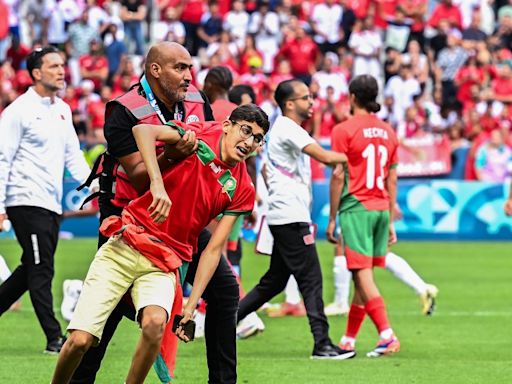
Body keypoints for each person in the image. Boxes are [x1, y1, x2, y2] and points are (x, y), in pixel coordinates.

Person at [51, 104, 270, 384]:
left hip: (165, 262)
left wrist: (191, 305)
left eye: (257, 138)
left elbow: (213, 250)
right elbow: (142, 130)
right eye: (246, 131)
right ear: (227, 125)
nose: (249, 142)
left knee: (155, 325)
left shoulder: (243, 188)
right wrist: (156, 183)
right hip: (127, 243)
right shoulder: (198, 135)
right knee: (80, 341)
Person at [70, 42, 239, 384]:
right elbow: (138, 175)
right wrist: (174, 155)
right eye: (180, 68)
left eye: (190, 68)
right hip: (128, 217)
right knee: (112, 308)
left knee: (224, 290)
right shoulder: (123, 109)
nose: (189, 77)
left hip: (178, 219)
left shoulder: (196, 102)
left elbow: (207, 159)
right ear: (155, 70)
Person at [237, 79, 354, 360]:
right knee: (311, 278)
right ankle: (322, 344)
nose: (311, 102)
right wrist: (356, 157)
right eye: (306, 98)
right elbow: (324, 156)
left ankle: (224, 321)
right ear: (289, 104)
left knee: (274, 282)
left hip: (286, 213)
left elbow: (266, 170)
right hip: (290, 215)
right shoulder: (288, 128)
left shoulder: (284, 129)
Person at [0, 46, 91, 353]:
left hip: (51, 204)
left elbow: (73, 158)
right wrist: (0, 207)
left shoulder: (63, 110)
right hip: (24, 199)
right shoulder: (17, 111)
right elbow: (2, 160)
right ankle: (54, 338)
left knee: (31, 268)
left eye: (62, 65)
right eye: (53, 65)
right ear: (36, 73)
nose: (61, 70)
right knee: (42, 269)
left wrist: (95, 188)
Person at [327, 74, 400, 358]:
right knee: (362, 275)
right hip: (381, 207)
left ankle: (387, 334)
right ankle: (348, 339)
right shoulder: (389, 131)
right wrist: (391, 218)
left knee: (361, 273)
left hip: (357, 207)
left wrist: (332, 218)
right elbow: (392, 180)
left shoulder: (343, 130)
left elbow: (337, 174)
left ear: (353, 97)